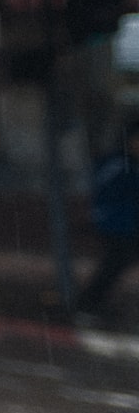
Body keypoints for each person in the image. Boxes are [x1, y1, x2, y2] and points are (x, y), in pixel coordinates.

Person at [74, 120, 139, 323]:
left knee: (115, 264)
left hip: (127, 224)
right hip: (117, 224)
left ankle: (88, 305)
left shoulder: (129, 164)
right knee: (113, 265)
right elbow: (107, 192)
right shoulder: (117, 163)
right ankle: (86, 306)